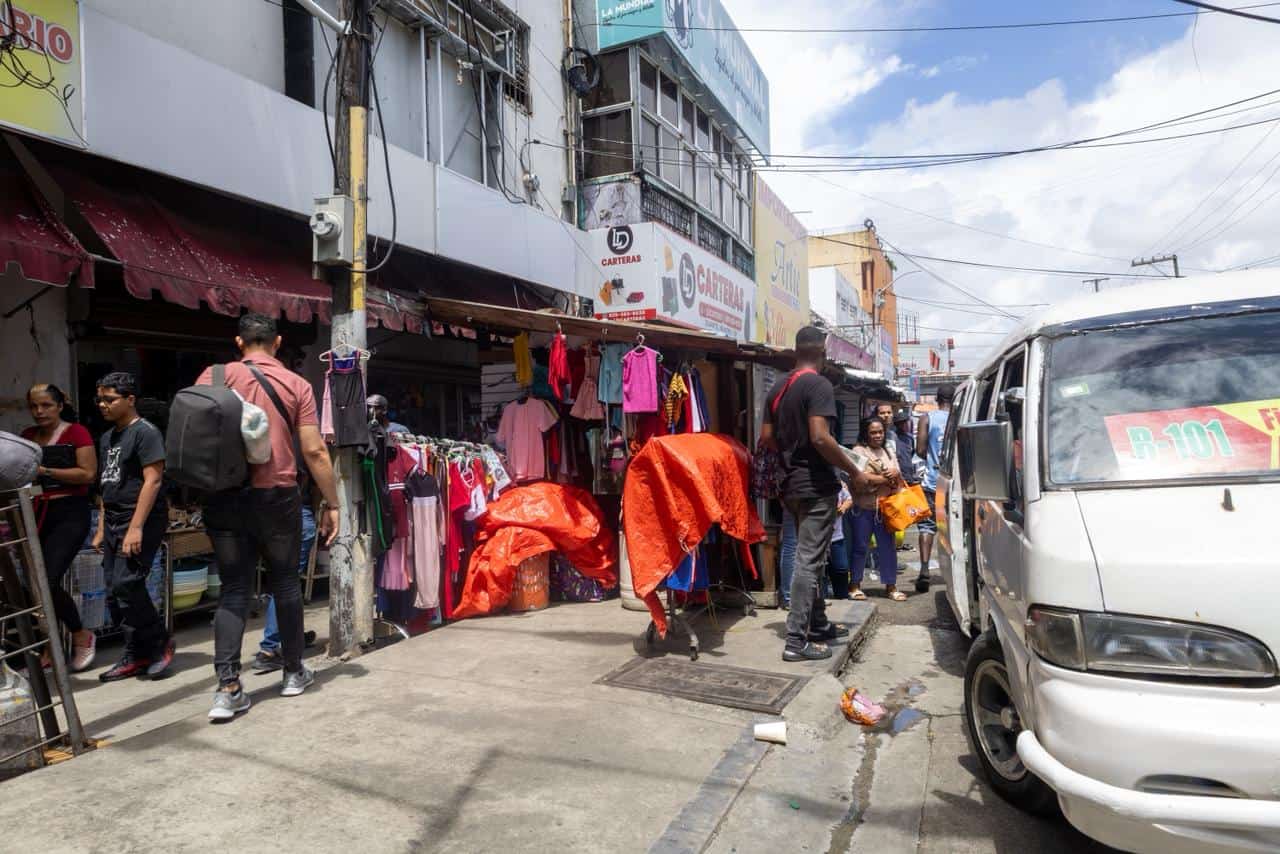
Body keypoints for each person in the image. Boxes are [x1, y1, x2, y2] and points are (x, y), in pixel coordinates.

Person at [195, 313, 340, 721]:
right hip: (276, 495)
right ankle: (293, 673)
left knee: (234, 589)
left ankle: (227, 690)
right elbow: (313, 451)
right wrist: (332, 503)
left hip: (224, 495)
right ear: (277, 342)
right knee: (285, 584)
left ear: (239, 342)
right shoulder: (296, 384)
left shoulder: (213, 376)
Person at [762, 326, 890, 662]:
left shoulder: (777, 387)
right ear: (822, 352)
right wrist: (854, 471)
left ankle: (817, 625)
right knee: (808, 561)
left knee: (813, 559)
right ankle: (796, 640)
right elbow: (820, 437)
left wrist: (792, 456)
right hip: (815, 486)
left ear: (796, 350)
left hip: (789, 485)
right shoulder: (817, 384)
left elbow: (766, 438)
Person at [92, 372, 176, 680]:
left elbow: (153, 480)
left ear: (130, 400)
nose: (103, 405)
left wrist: (136, 527)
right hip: (113, 517)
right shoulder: (107, 437)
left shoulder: (146, 433)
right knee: (115, 591)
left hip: (139, 517)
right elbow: (107, 484)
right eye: (100, 399)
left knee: (128, 583)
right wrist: (102, 525)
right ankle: (135, 652)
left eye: (110, 399)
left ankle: (159, 643)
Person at [23, 384, 98, 671]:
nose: (40, 411)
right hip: (35, 513)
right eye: (34, 406)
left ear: (59, 406)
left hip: (69, 514)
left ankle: (80, 635)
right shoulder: (28, 437)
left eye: (46, 405)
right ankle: (50, 645)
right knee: (34, 586)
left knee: (49, 580)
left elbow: (88, 474)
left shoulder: (76, 433)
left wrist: (45, 471)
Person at [849, 417, 906, 602]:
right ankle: (855, 585)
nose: (877, 435)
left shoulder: (888, 451)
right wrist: (884, 479)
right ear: (866, 433)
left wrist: (895, 474)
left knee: (888, 548)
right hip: (863, 509)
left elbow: (898, 476)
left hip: (885, 509)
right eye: (873, 432)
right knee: (859, 547)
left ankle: (891, 586)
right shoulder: (858, 451)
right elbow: (859, 478)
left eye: (880, 431)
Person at [915, 384, 954, 593]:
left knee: (927, 526)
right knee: (952, 526)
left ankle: (924, 569)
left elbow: (920, 450)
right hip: (955, 483)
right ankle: (955, 568)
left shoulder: (926, 418)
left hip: (932, 482)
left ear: (937, 399)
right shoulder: (961, 417)